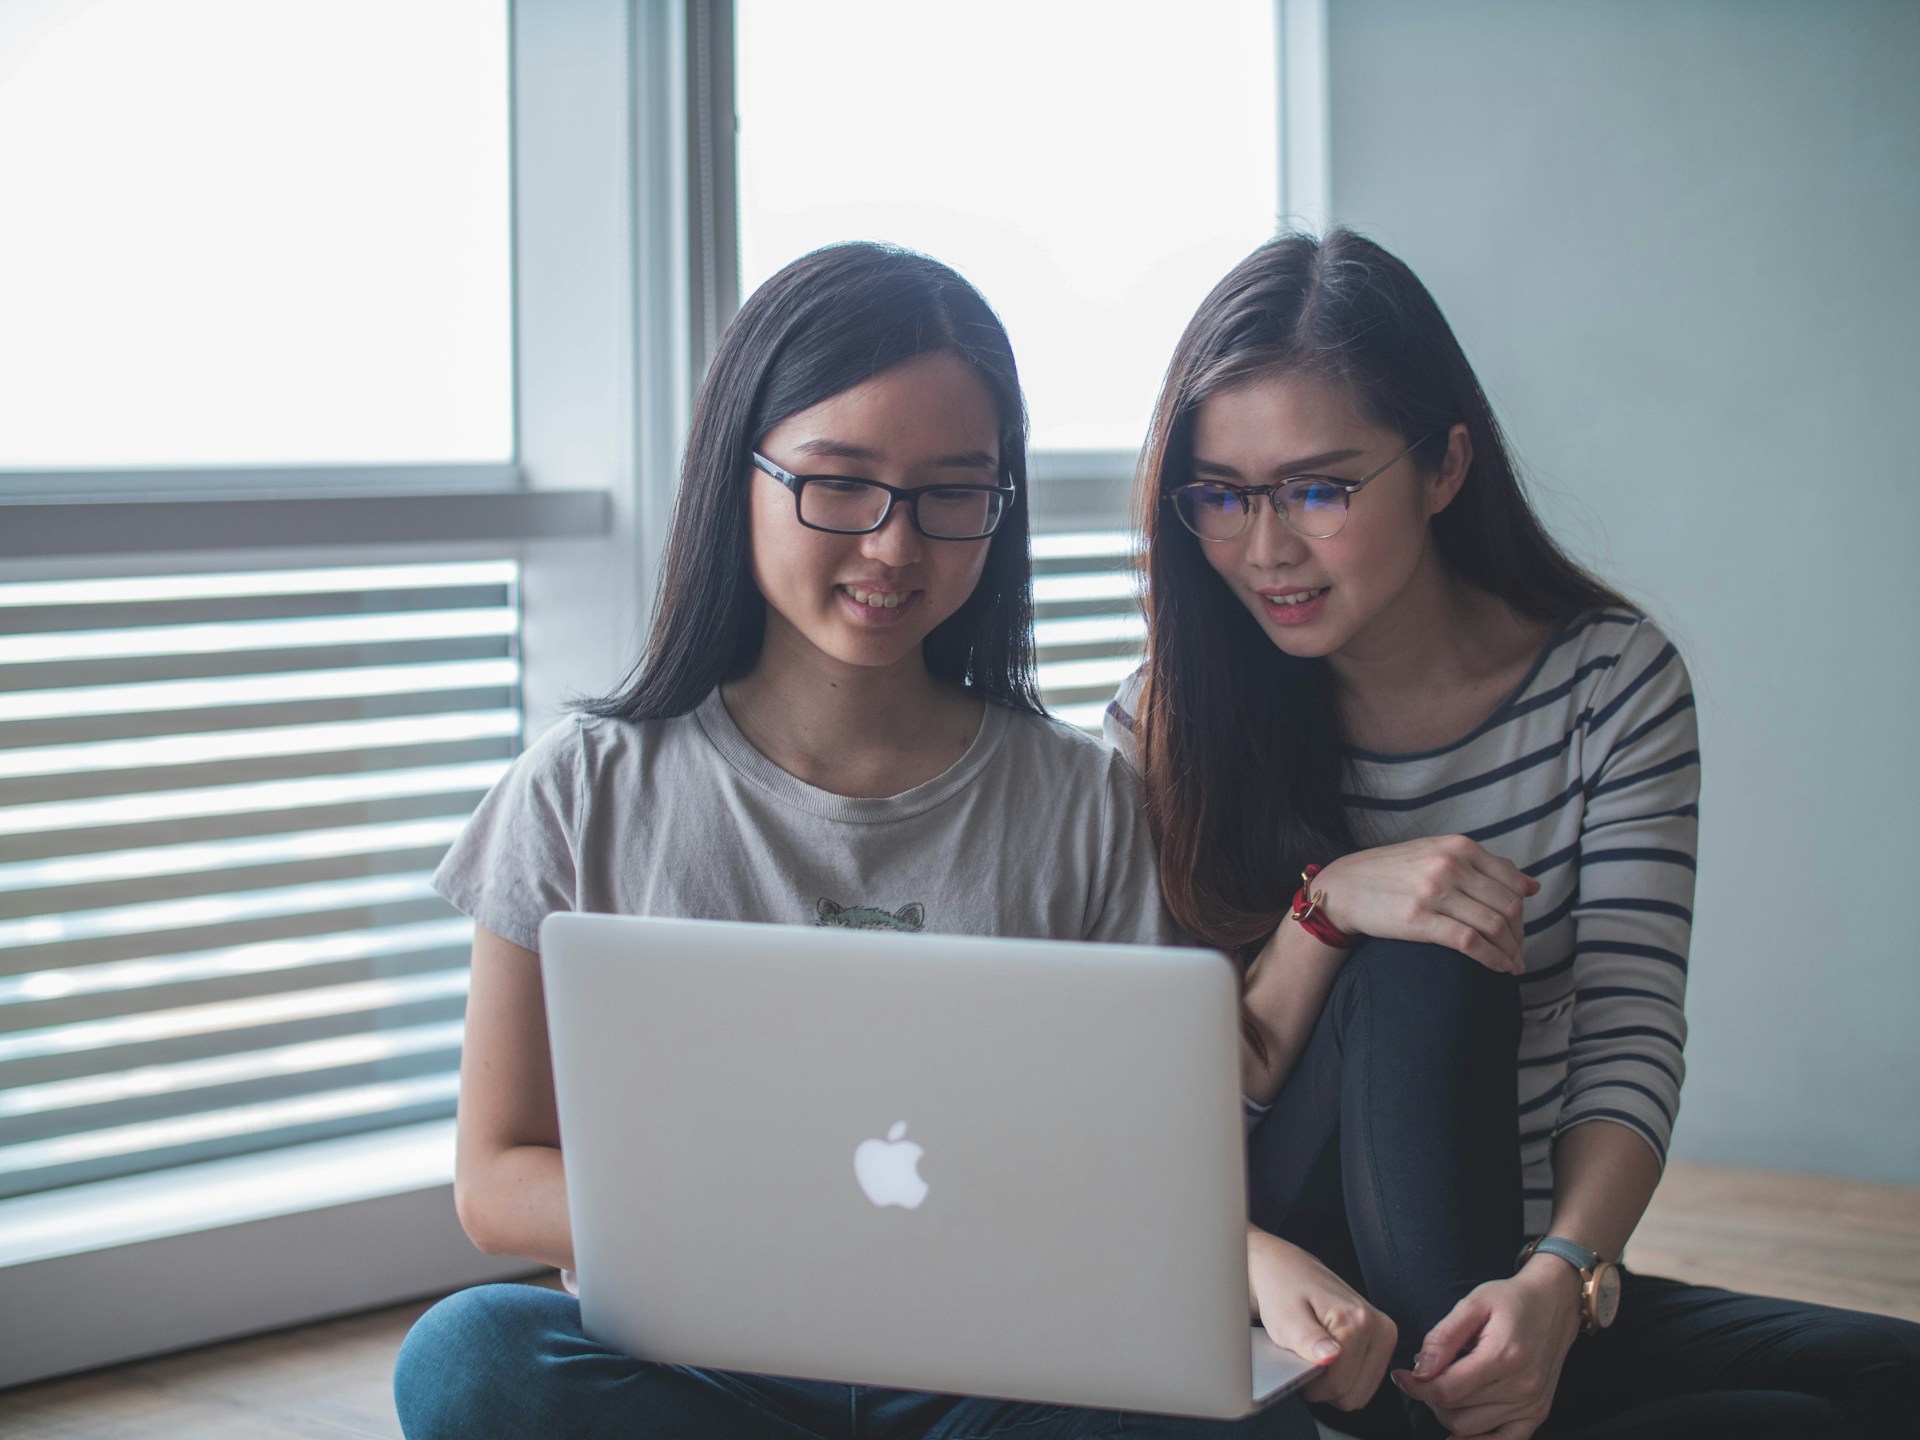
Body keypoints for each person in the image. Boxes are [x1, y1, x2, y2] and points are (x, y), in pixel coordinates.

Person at [392, 242, 1392, 1440]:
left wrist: (1244, 1259)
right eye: (840, 482)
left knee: (1248, 1421)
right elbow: (498, 1183)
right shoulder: (584, 789)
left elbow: (1125, 1161)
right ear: (739, 475)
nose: (893, 545)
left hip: (1001, 1370)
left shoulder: (1083, 800)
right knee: (469, 1362)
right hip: (701, 1364)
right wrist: (805, 1208)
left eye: (951, 493)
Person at [1107, 228, 1920, 1439]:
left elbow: (1631, 1031)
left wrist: (1562, 1277)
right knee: (1430, 948)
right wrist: (1327, 908)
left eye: (1319, 488)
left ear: (1444, 467)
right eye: (1222, 496)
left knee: (1870, 1391)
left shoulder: (1612, 685)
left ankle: (1484, 1383)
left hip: (1503, 1258)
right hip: (1287, 1285)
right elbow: (1156, 1104)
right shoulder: (1167, 717)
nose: (1264, 547)